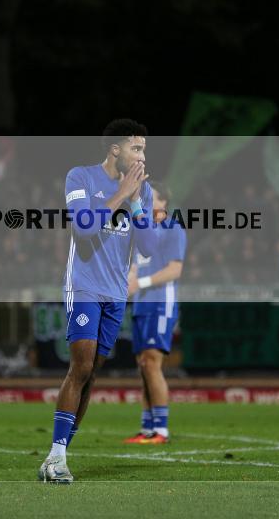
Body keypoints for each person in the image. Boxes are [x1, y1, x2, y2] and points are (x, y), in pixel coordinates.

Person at [38, 119, 159, 484]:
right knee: (81, 365)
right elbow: (84, 228)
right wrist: (122, 193)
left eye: (144, 150)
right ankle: (57, 457)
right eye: (136, 148)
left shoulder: (143, 191)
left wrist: (137, 202)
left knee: (92, 373)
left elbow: (151, 249)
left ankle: (57, 456)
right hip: (85, 285)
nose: (141, 157)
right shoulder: (81, 178)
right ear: (115, 149)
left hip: (115, 292)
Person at [124, 181, 185, 445]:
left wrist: (142, 283)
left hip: (161, 302)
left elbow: (174, 270)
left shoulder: (172, 228)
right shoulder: (141, 233)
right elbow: (135, 270)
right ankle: (147, 427)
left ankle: (161, 429)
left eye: (152, 199)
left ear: (164, 204)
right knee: (143, 366)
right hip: (141, 305)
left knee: (152, 362)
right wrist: (126, 287)